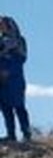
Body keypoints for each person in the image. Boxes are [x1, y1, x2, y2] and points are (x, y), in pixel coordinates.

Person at [0, 16, 31, 144]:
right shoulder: (1, 41)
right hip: (1, 80)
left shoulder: (19, 41)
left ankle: (26, 133)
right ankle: (11, 134)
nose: (1, 26)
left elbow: (21, 58)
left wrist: (9, 70)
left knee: (19, 106)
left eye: (3, 24)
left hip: (15, 79)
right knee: (5, 108)